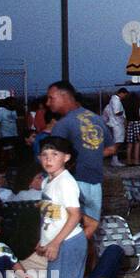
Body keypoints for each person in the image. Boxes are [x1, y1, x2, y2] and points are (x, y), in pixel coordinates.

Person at [35, 136, 89, 278]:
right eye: (45, 155)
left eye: (54, 155)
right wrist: (44, 241)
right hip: (61, 241)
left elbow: (75, 215)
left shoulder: (65, 182)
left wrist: (55, 243)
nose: (49, 159)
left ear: (66, 158)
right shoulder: (48, 181)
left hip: (68, 243)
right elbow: (50, 216)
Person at [46, 81, 112, 243]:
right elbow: (111, 148)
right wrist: (91, 155)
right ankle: (91, 266)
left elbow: (52, 159)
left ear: (64, 96)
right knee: (91, 228)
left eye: (51, 98)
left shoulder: (63, 125)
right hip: (95, 182)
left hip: (72, 183)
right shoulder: (95, 118)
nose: (48, 103)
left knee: (70, 230)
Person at [103, 89, 128, 167]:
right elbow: (117, 112)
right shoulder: (116, 101)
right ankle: (114, 159)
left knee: (117, 142)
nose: (125, 97)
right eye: (125, 95)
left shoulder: (113, 100)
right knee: (117, 142)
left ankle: (115, 159)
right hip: (117, 124)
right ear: (121, 93)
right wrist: (123, 114)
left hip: (116, 123)